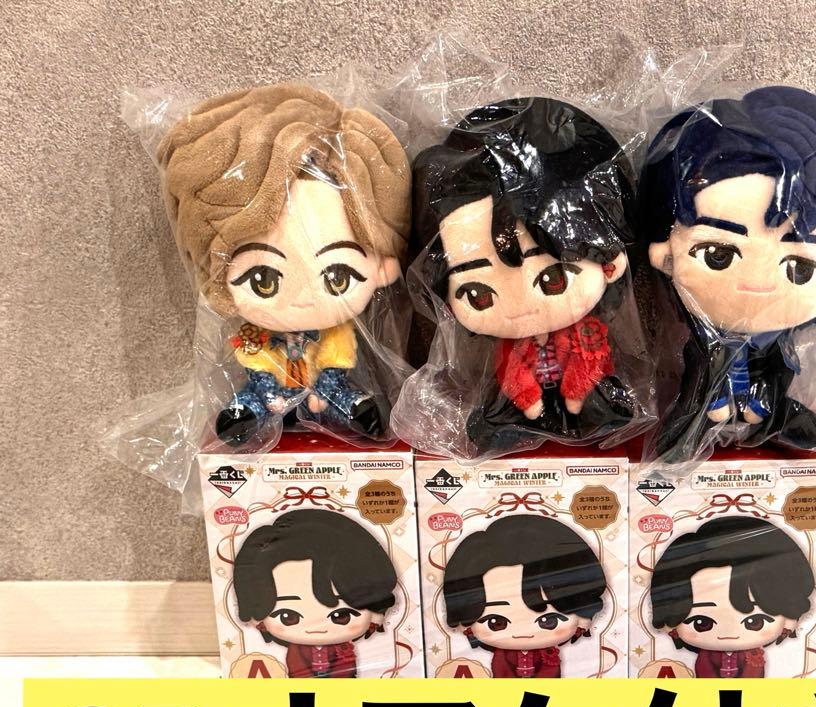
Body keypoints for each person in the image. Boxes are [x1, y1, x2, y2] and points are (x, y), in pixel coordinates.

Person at [159, 82, 411, 445]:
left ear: (383, 269)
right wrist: (270, 394)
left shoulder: (336, 333)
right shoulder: (257, 335)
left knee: (342, 395)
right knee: (251, 398)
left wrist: (322, 390)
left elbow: (336, 361)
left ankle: (357, 411)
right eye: (263, 279)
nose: (302, 299)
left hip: (322, 390)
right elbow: (256, 364)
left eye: (337, 277)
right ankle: (245, 418)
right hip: (272, 391)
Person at [641, 86, 816, 460]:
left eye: (801, 268)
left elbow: (779, 368)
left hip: (764, 400)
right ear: (665, 254)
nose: (756, 281)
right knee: (702, 385)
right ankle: (700, 417)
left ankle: (771, 415)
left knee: (771, 383)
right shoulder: (700, 336)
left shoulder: (779, 346)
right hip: (706, 389)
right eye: (717, 255)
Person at [399, 96, 647, 454]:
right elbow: (512, 374)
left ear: (610, 263)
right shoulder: (510, 348)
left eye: (553, 279)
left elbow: (590, 360)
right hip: (526, 402)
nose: (523, 307)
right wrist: (529, 402)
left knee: (599, 401)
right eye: (479, 294)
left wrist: (576, 395)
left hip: (579, 395)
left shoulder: (587, 331)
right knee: (499, 414)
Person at [233, 509, 397, 677]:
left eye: (341, 616)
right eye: (288, 617)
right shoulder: (296, 650)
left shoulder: (344, 647)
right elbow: (296, 668)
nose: (316, 629)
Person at [442, 515, 607, 677]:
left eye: (548, 621)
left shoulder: (549, 653)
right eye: (496, 622)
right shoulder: (502, 655)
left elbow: (550, 673)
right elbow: (501, 670)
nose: (523, 632)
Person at [649, 516, 815, 677]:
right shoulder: (707, 656)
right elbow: (704, 671)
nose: (729, 633)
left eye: (754, 622)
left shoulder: (754, 655)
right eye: (702, 623)